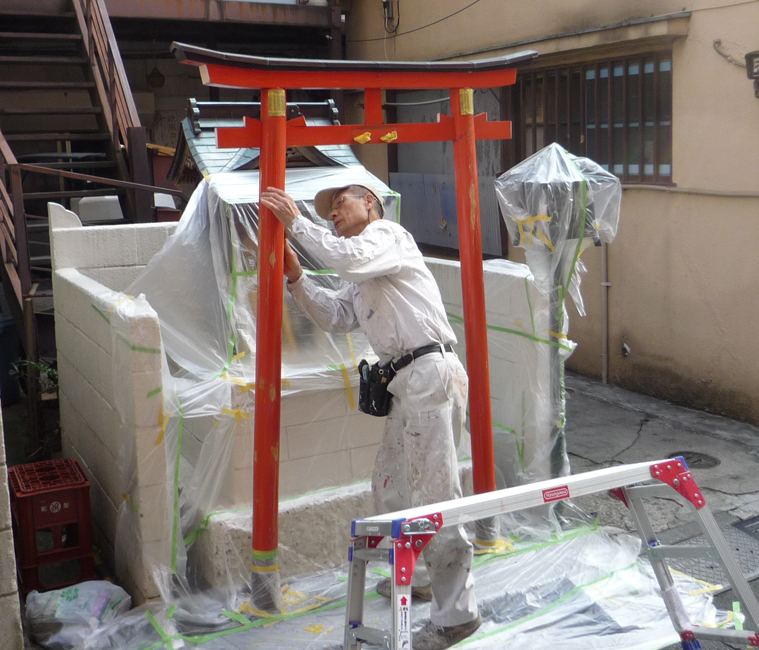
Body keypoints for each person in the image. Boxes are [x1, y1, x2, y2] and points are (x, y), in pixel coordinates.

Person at [259, 183, 481, 650]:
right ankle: (421, 577)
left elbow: (347, 259)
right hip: (407, 384)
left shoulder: (387, 236)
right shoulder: (363, 273)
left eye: (341, 202)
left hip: (428, 375)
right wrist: (297, 278)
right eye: (329, 210)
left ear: (370, 204)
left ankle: (457, 615)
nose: (333, 213)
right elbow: (336, 316)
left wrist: (296, 223)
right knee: (390, 486)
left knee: (435, 497)